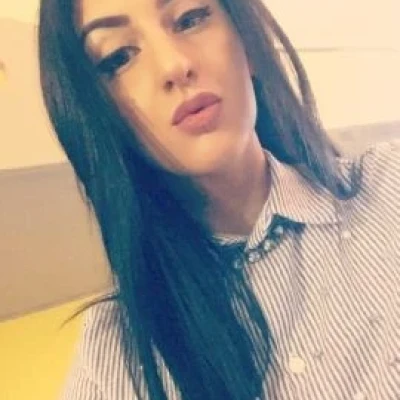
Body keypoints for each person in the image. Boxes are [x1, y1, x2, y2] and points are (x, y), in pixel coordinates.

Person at [38, 0, 399, 399]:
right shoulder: (115, 361)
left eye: (190, 19)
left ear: (248, 42)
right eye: (119, 57)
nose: (175, 65)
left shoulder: (390, 186)